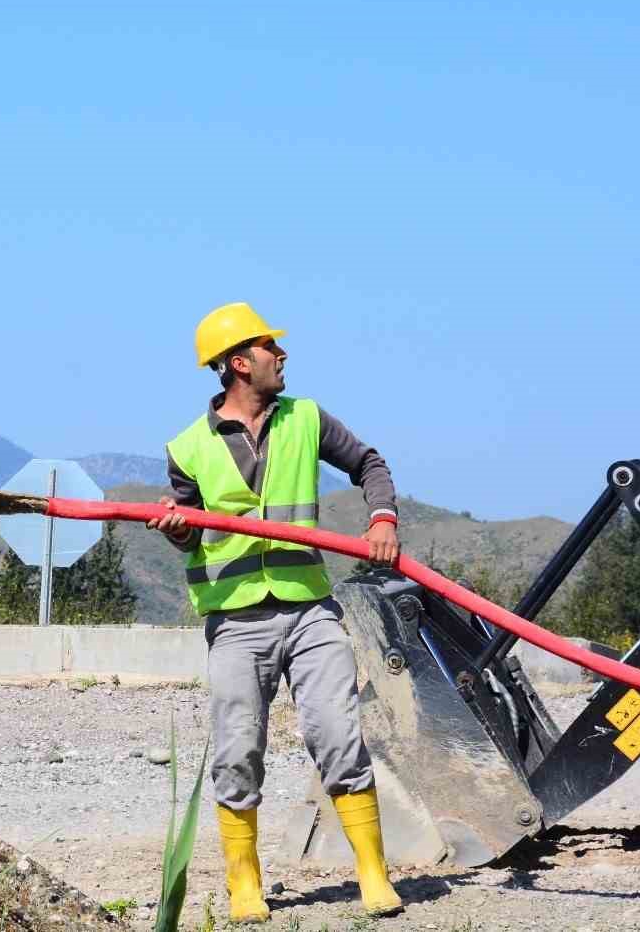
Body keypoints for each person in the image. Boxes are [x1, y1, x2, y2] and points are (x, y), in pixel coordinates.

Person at [147, 302, 405, 921]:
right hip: (235, 620)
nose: (282, 355)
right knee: (238, 748)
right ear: (240, 363)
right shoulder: (187, 448)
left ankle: (372, 872)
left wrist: (382, 516)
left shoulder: (306, 419)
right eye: (270, 347)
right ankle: (244, 883)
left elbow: (369, 463)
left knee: (338, 733)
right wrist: (174, 528)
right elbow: (188, 534)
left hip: (309, 609)